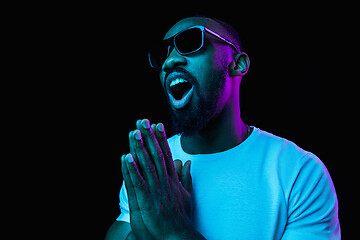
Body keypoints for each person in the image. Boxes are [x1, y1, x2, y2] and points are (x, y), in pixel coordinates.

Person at [106, 16, 340, 240]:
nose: (169, 62)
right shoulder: (152, 165)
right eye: (162, 54)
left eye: (190, 42)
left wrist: (174, 231)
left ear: (237, 64)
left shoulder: (299, 172)